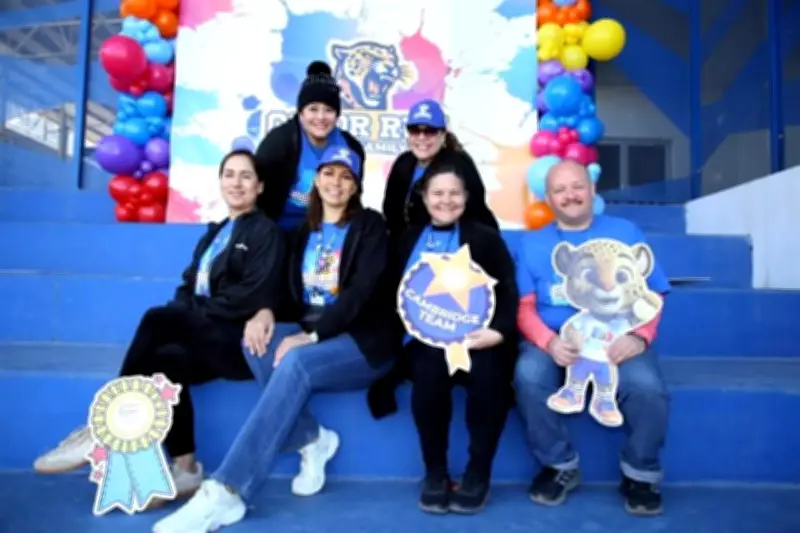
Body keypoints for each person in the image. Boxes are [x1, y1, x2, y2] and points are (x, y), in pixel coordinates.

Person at [152, 145, 394, 533]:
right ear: (316, 179)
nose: (336, 182)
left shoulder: (371, 226)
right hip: (313, 333)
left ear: (355, 186)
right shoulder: (302, 233)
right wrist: (265, 313)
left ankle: (228, 490)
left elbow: (360, 293)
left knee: (294, 361)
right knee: (257, 344)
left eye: (346, 176)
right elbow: (283, 294)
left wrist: (311, 336)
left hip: (362, 342)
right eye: (329, 173)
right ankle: (312, 439)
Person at [33, 150, 285, 507]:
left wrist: (188, 314)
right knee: (168, 359)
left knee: (159, 317)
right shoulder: (215, 234)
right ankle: (187, 467)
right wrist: (187, 313)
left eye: (246, 176)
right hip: (204, 337)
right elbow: (187, 286)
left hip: (239, 345)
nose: (237, 183)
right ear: (220, 182)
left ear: (259, 186)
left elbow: (250, 296)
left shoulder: (266, 232)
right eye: (229, 174)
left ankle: (103, 426)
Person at [512, 160, 671, 516]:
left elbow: (654, 294)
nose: (570, 195)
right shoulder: (533, 243)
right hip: (556, 338)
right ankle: (559, 466)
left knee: (646, 386)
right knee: (529, 375)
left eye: (577, 186)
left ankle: (640, 472)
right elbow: (523, 307)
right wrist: (548, 342)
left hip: (619, 337)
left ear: (592, 189)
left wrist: (640, 337)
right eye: (560, 190)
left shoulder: (625, 231)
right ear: (548, 199)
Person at [371, 166, 518, 515]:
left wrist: (497, 332)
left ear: (466, 198)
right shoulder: (407, 239)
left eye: (454, 193)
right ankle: (435, 474)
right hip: (423, 340)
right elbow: (391, 294)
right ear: (424, 197)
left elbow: (509, 292)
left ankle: (478, 473)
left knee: (490, 376)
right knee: (429, 376)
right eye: (437, 193)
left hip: (478, 337)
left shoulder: (486, 238)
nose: (446, 200)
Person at [254, 60, 366, 230]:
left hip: (331, 233)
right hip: (281, 231)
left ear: (337, 114)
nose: (320, 117)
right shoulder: (279, 142)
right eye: (313, 109)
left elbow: (354, 198)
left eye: (328, 110)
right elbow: (257, 196)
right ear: (301, 112)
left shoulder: (351, 147)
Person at [382, 99, 498, 239]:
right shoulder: (404, 162)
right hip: (412, 246)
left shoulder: (459, 165)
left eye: (429, 131)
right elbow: (391, 211)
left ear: (442, 134)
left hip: (458, 245)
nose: (421, 137)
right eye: (415, 130)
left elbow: (474, 213)